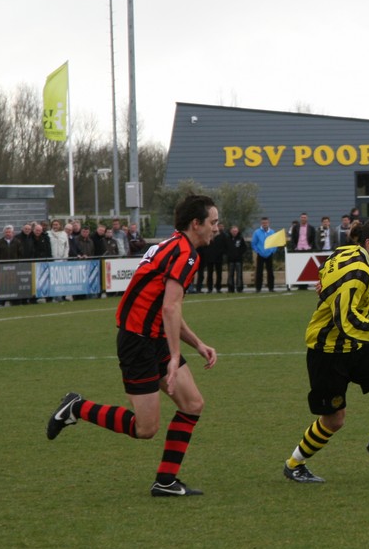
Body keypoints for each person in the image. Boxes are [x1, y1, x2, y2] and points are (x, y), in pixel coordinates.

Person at [45, 194, 220, 497]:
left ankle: (165, 481)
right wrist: (175, 355)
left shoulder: (172, 246)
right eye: (213, 222)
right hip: (137, 341)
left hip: (155, 337)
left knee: (193, 404)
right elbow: (169, 308)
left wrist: (197, 344)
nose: (216, 228)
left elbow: (167, 309)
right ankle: (76, 407)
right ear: (196, 223)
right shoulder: (185, 254)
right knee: (145, 428)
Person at [282, 217, 369, 484]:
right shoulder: (357, 274)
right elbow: (347, 323)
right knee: (334, 421)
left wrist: (324, 286)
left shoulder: (350, 252)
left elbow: (326, 267)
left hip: (354, 345)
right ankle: (294, 464)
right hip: (327, 352)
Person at [251, 217, 278, 292]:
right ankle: (258, 288)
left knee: (270, 272)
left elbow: (275, 243)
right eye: (263, 223)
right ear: (261, 223)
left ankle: (271, 288)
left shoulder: (272, 232)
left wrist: (272, 251)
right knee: (259, 272)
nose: (264, 224)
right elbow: (253, 243)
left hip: (269, 254)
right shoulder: (257, 232)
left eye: (266, 223)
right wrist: (258, 251)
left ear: (268, 223)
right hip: (260, 254)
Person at [225, 224, 247, 293]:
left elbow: (244, 248)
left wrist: (239, 254)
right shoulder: (227, 238)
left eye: (236, 231)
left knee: (239, 274)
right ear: (230, 231)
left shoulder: (240, 238)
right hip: (230, 260)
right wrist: (228, 254)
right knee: (230, 274)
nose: (234, 232)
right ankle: (230, 288)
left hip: (239, 260)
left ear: (238, 231)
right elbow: (225, 248)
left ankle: (239, 288)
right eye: (233, 231)